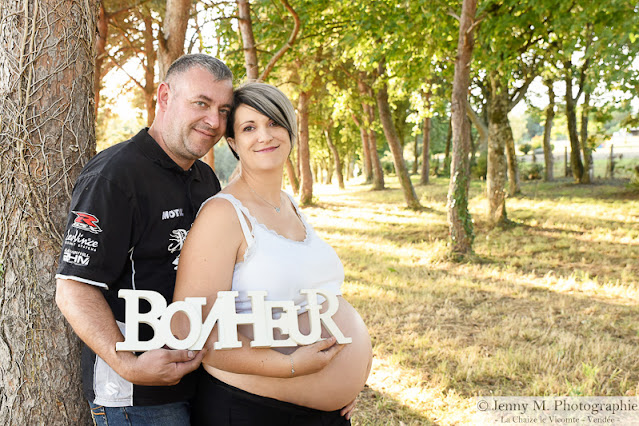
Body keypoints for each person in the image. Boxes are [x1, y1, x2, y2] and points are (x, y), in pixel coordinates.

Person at [173, 82, 373, 425]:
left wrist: (344, 380)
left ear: (290, 131)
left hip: (323, 412)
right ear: (233, 143)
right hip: (255, 410)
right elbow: (187, 326)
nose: (264, 135)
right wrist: (290, 367)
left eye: (274, 123)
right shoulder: (223, 214)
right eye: (249, 128)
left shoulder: (289, 204)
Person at [54, 54, 234, 424]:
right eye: (201, 103)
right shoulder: (115, 176)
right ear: (165, 97)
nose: (214, 121)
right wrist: (128, 366)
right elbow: (73, 289)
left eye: (223, 109)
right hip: (137, 398)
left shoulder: (206, 179)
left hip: (203, 380)